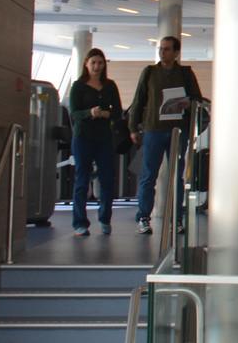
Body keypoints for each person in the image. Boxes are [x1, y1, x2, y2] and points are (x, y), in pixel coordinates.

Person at [128, 35, 202, 236]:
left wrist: (187, 102)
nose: (162, 52)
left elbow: (197, 98)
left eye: (167, 49)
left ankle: (176, 218)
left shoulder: (185, 73)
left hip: (177, 130)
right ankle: (144, 217)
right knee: (148, 175)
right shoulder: (150, 72)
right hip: (153, 129)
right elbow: (139, 100)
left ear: (176, 52)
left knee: (176, 176)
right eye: (161, 48)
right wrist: (133, 127)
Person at [66, 48, 123, 237]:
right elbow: (74, 113)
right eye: (93, 63)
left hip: (104, 137)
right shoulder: (78, 86)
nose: (97, 67)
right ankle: (79, 223)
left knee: (107, 179)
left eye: (100, 63)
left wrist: (106, 114)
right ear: (86, 64)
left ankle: (105, 218)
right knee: (82, 180)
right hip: (83, 137)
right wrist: (89, 113)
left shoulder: (110, 85)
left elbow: (117, 111)